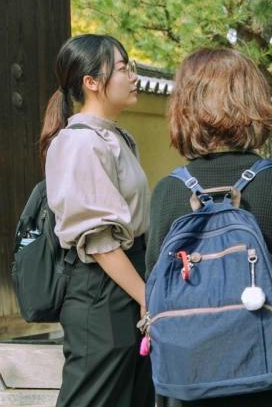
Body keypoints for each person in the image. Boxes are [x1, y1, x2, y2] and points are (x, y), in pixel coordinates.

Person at [146, 48, 272, 407]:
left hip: (190, 380)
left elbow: (155, 280)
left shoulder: (167, 192)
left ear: (183, 106)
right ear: (255, 102)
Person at [39, 34, 154, 407]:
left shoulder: (118, 137)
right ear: (91, 82)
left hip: (127, 278)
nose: (133, 76)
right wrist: (147, 297)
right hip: (101, 289)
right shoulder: (80, 143)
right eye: (122, 68)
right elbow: (100, 241)